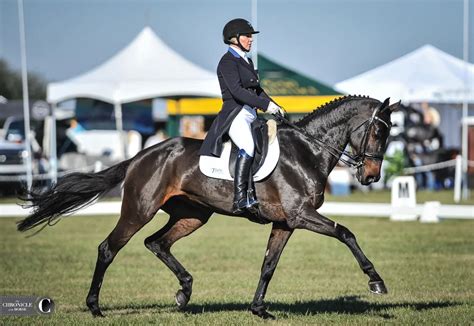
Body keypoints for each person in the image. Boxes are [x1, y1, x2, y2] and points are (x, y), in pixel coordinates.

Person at [199, 18, 284, 215]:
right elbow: (237, 91)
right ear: (234, 38)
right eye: (247, 36)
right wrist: (265, 105)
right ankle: (239, 198)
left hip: (251, 114)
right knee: (247, 146)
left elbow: (257, 90)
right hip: (235, 114)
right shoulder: (227, 62)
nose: (251, 40)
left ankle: (255, 193)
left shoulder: (247, 60)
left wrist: (275, 105)